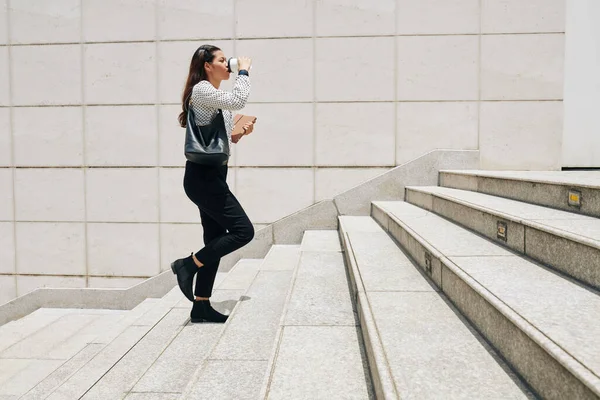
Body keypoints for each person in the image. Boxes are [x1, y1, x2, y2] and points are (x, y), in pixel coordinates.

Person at [171, 45, 255, 323]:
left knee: (215, 240)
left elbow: (218, 139)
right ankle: (187, 265)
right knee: (243, 231)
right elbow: (239, 100)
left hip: (211, 176)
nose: (227, 65)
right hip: (203, 178)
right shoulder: (203, 90)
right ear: (207, 66)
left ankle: (201, 305)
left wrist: (237, 134)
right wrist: (243, 69)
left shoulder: (214, 97)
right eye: (222, 60)